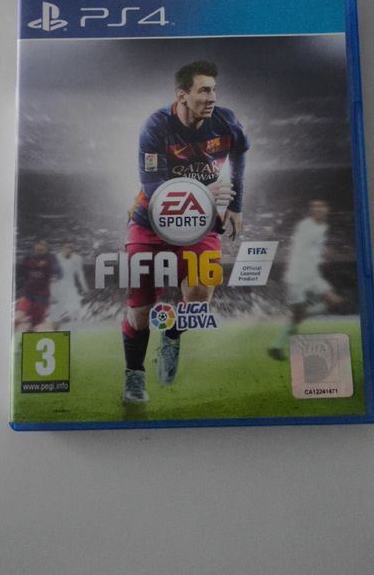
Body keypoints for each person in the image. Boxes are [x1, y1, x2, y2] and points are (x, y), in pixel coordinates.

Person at [122, 60, 249, 402]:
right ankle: (134, 375)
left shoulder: (225, 122)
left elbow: (240, 153)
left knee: (198, 302)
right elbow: (152, 187)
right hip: (150, 223)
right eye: (204, 90)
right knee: (140, 312)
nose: (212, 97)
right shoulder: (156, 127)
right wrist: (200, 193)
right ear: (182, 95)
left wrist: (236, 205)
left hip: (199, 224)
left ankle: (172, 335)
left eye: (214, 90)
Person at [268, 200, 342, 360]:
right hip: (297, 276)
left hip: (312, 275)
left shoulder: (323, 227)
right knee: (298, 315)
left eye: (321, 206)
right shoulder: (305, 226)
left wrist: (321, 255)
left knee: (333, 301)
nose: (317, 209)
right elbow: (303, 246)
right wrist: (323, 252)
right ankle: (277, 345)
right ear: (311, 211)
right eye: (314, 207)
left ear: (327, 209)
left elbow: (314, 249)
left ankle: (295, 321)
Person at [14, 239, 61, 331]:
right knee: (18, 316)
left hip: (42, 297)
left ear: (46, 248)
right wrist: (20, 293)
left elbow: (58, 273)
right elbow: (20, 275)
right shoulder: (27, 258)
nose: (41, 248)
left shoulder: (51, 258)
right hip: (28, 295)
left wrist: (54, 277)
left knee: (37, 324)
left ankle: (32, 330)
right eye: (38, 246)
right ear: (34, 247)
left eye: (43, 246)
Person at [50, 239, 90, 327]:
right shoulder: (56, 258)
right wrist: (52, 293)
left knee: (75, 312)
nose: (69, 249)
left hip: (71, 288)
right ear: (62, 248)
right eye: (67, 247)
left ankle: (73, 328)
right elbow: (52, 277)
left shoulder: (77, 258)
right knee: (60, 315)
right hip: (58, 288)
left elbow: (80, 275)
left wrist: (85, 288)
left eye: (71, 247)